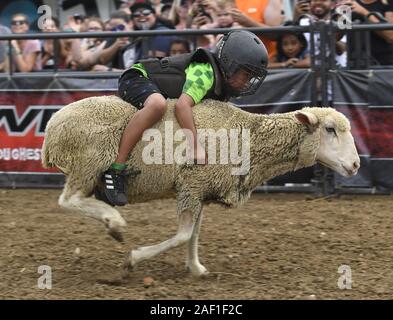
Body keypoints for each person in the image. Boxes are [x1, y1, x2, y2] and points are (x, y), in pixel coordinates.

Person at [101, 30, 269, 206]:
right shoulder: (205, 73)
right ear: (230, 64)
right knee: (157, 105)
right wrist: (195, 146)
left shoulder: (223, 84)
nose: (247, 81)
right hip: (137, 77)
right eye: (246, 74)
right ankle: (115, 170)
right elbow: (182, 106)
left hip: (152, 85)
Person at [341, 0, 393, 65]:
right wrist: (342, 15)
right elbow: (336, 37)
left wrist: (364, 12)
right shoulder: (351, 2)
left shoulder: (389, 3)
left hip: (383, 65)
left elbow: (390, 36)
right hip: (354, 65)